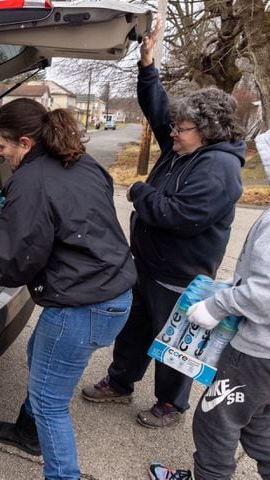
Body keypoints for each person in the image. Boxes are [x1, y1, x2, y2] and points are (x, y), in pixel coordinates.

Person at [81, 17, 246, 429]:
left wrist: (139, 192)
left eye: (183, 128)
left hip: (180, 273)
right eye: (175, 126)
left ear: (207, 132)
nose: (172, 132)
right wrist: (148, 64)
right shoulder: (183, 146)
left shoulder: (218, 169)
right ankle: (121, 380)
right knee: (134, 327)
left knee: (172, 338)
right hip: (148, 264)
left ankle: (171, 404)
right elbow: (158, 108)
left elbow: (180, 216)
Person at [0, 98, 137, 480]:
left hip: (81, 305)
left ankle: (61, 473)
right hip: (115, 295)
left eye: (3, 145)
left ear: (25, 143)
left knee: (50, 403)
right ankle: (27, 433)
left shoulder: (29, 181)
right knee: (38, 352)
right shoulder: (82, 162)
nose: (0, 152)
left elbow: (15, 263)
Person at [148, 128, 270, 480]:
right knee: (261, 422)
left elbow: (264, 296)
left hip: (256, 353)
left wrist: (218, 306)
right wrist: (235, 286)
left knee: (217, 420)